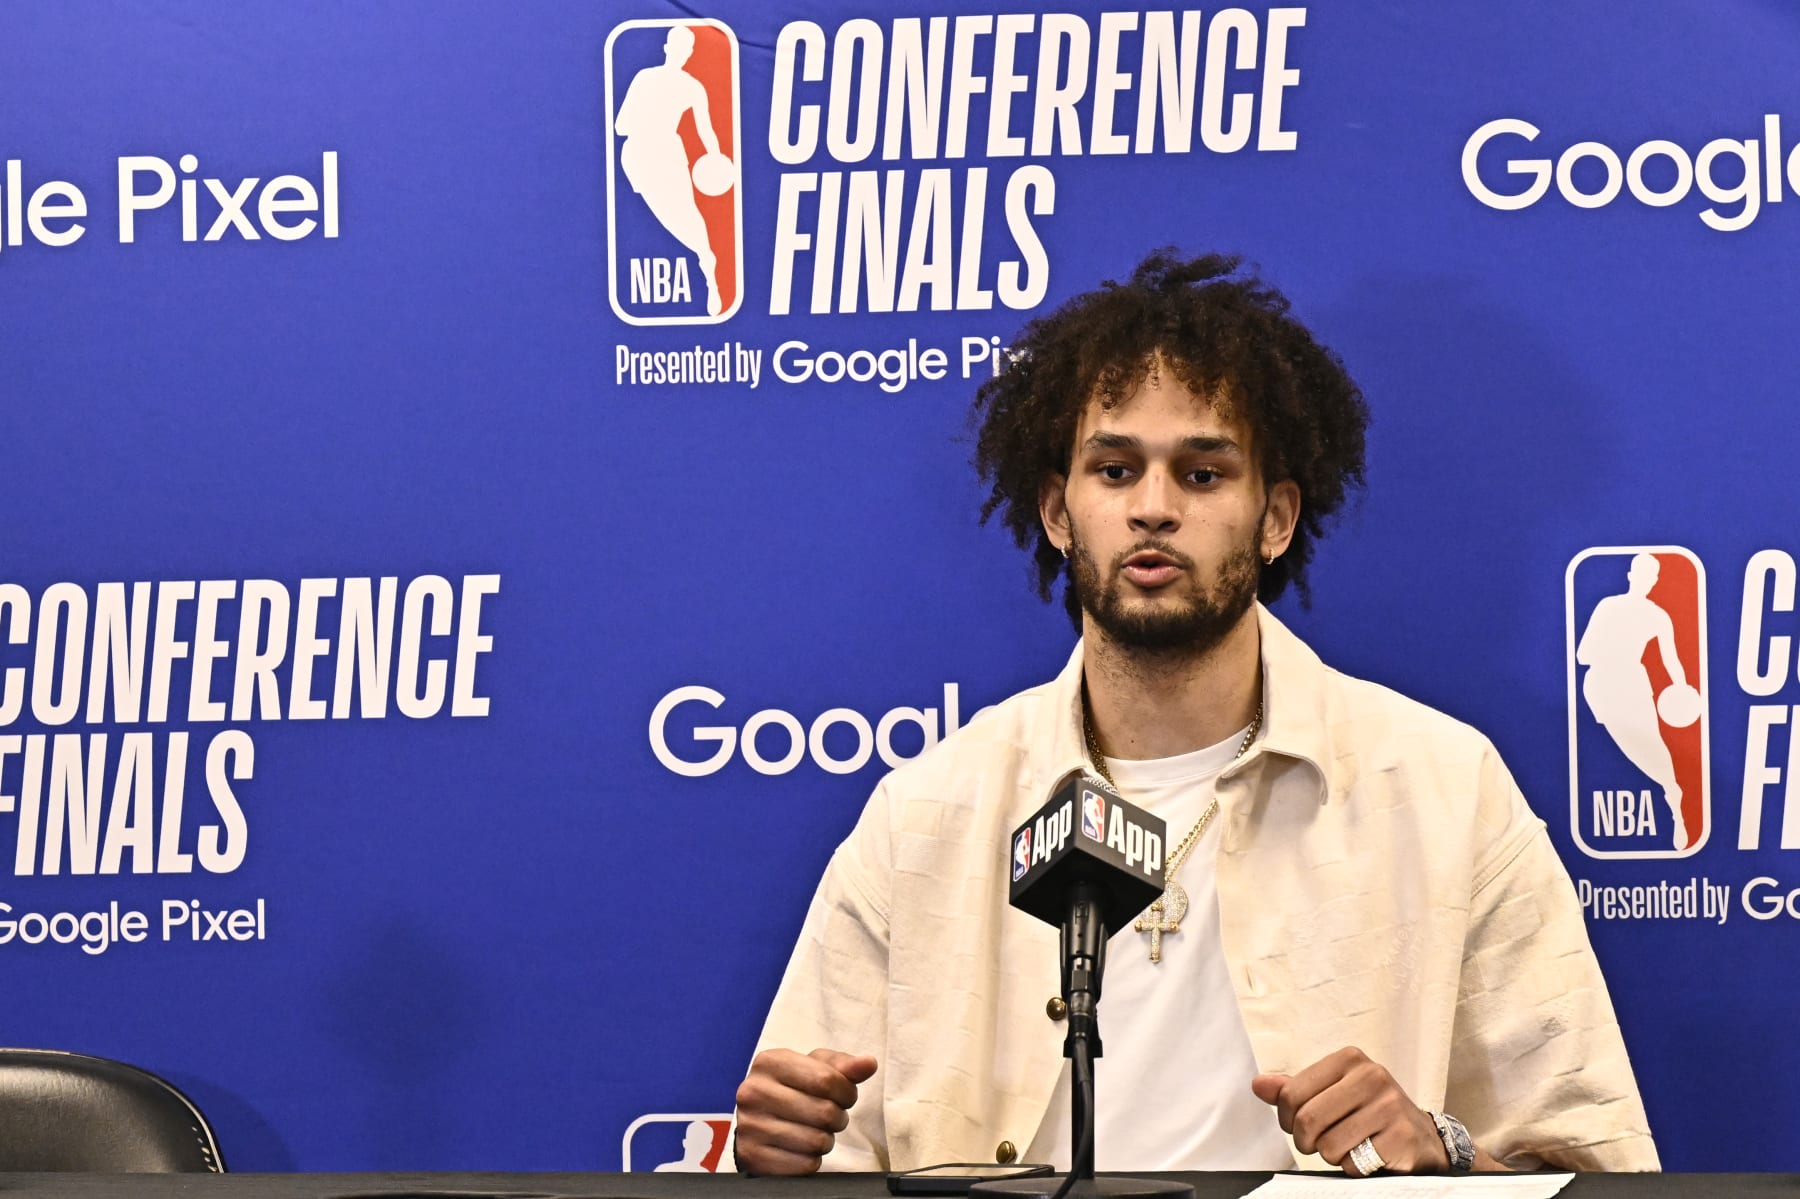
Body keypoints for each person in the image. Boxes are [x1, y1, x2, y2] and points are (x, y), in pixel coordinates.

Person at [733, 251, 1658, 1177]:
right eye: (1114, 469)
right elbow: (822, 1148)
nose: (1154, 508)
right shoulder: (928, 814)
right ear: (1057, 511)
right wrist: (778, 1165)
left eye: (1203, 473)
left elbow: (1597, 1169)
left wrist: (1442, 1154)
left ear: (1276, 518)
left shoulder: (1443, 788)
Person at [1575, 553, 1692, 850]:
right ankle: (1670, 788)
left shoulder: (1658, 616)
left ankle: (1674, 799)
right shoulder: (1607, 607)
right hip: (1601, 686)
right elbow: (1582, 655)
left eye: (1649, 576)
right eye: (1641, 574)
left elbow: (1671, 660)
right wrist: (1612, 649)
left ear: (1654, 581)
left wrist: (1681, 689)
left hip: (1633, 684)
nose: (1644, 581)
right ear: (1631, 576)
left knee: (1652, 744)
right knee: (1631, 747)